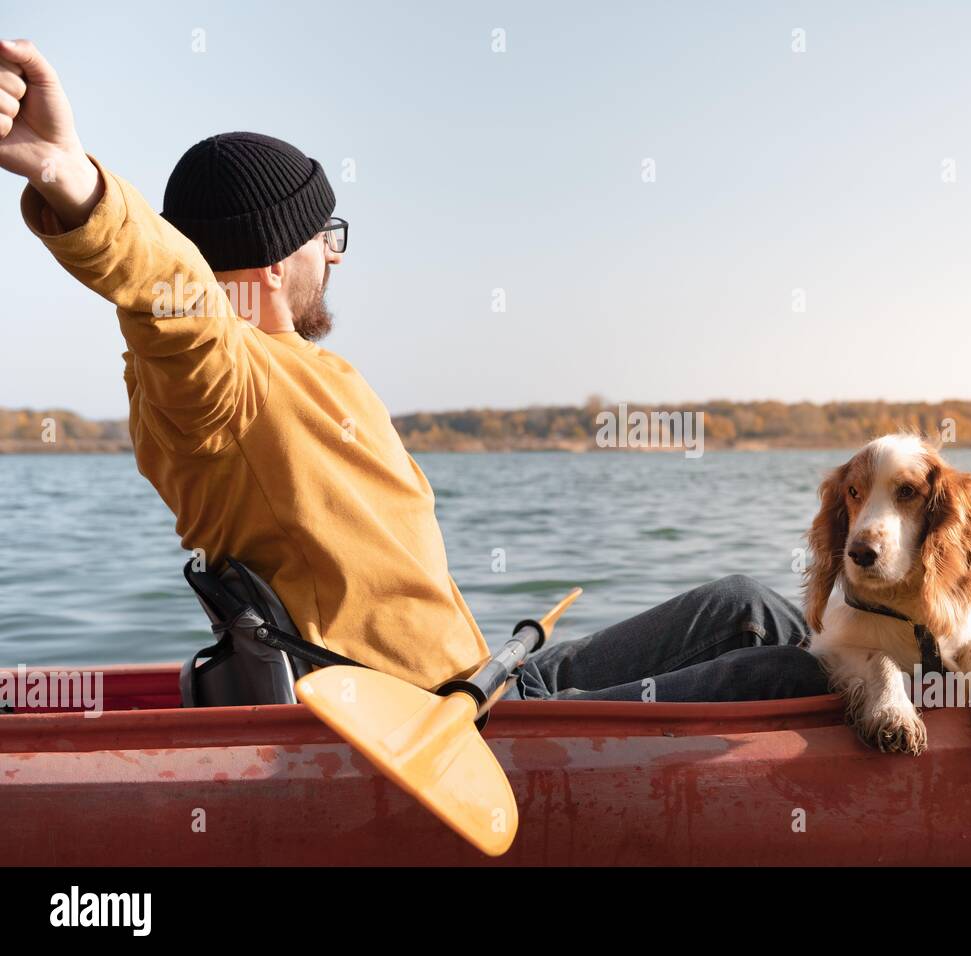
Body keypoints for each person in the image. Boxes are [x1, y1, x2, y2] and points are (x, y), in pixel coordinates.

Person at [0, 39, 829, 702]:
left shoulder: (299, 368)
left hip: (490, 681)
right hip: (436, 730)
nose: (335, 256)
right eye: (327, 236)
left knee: (745, 604)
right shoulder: (217, 374)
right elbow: (162, 287)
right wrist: (72, 178)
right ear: (278, 253)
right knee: (799, 679)